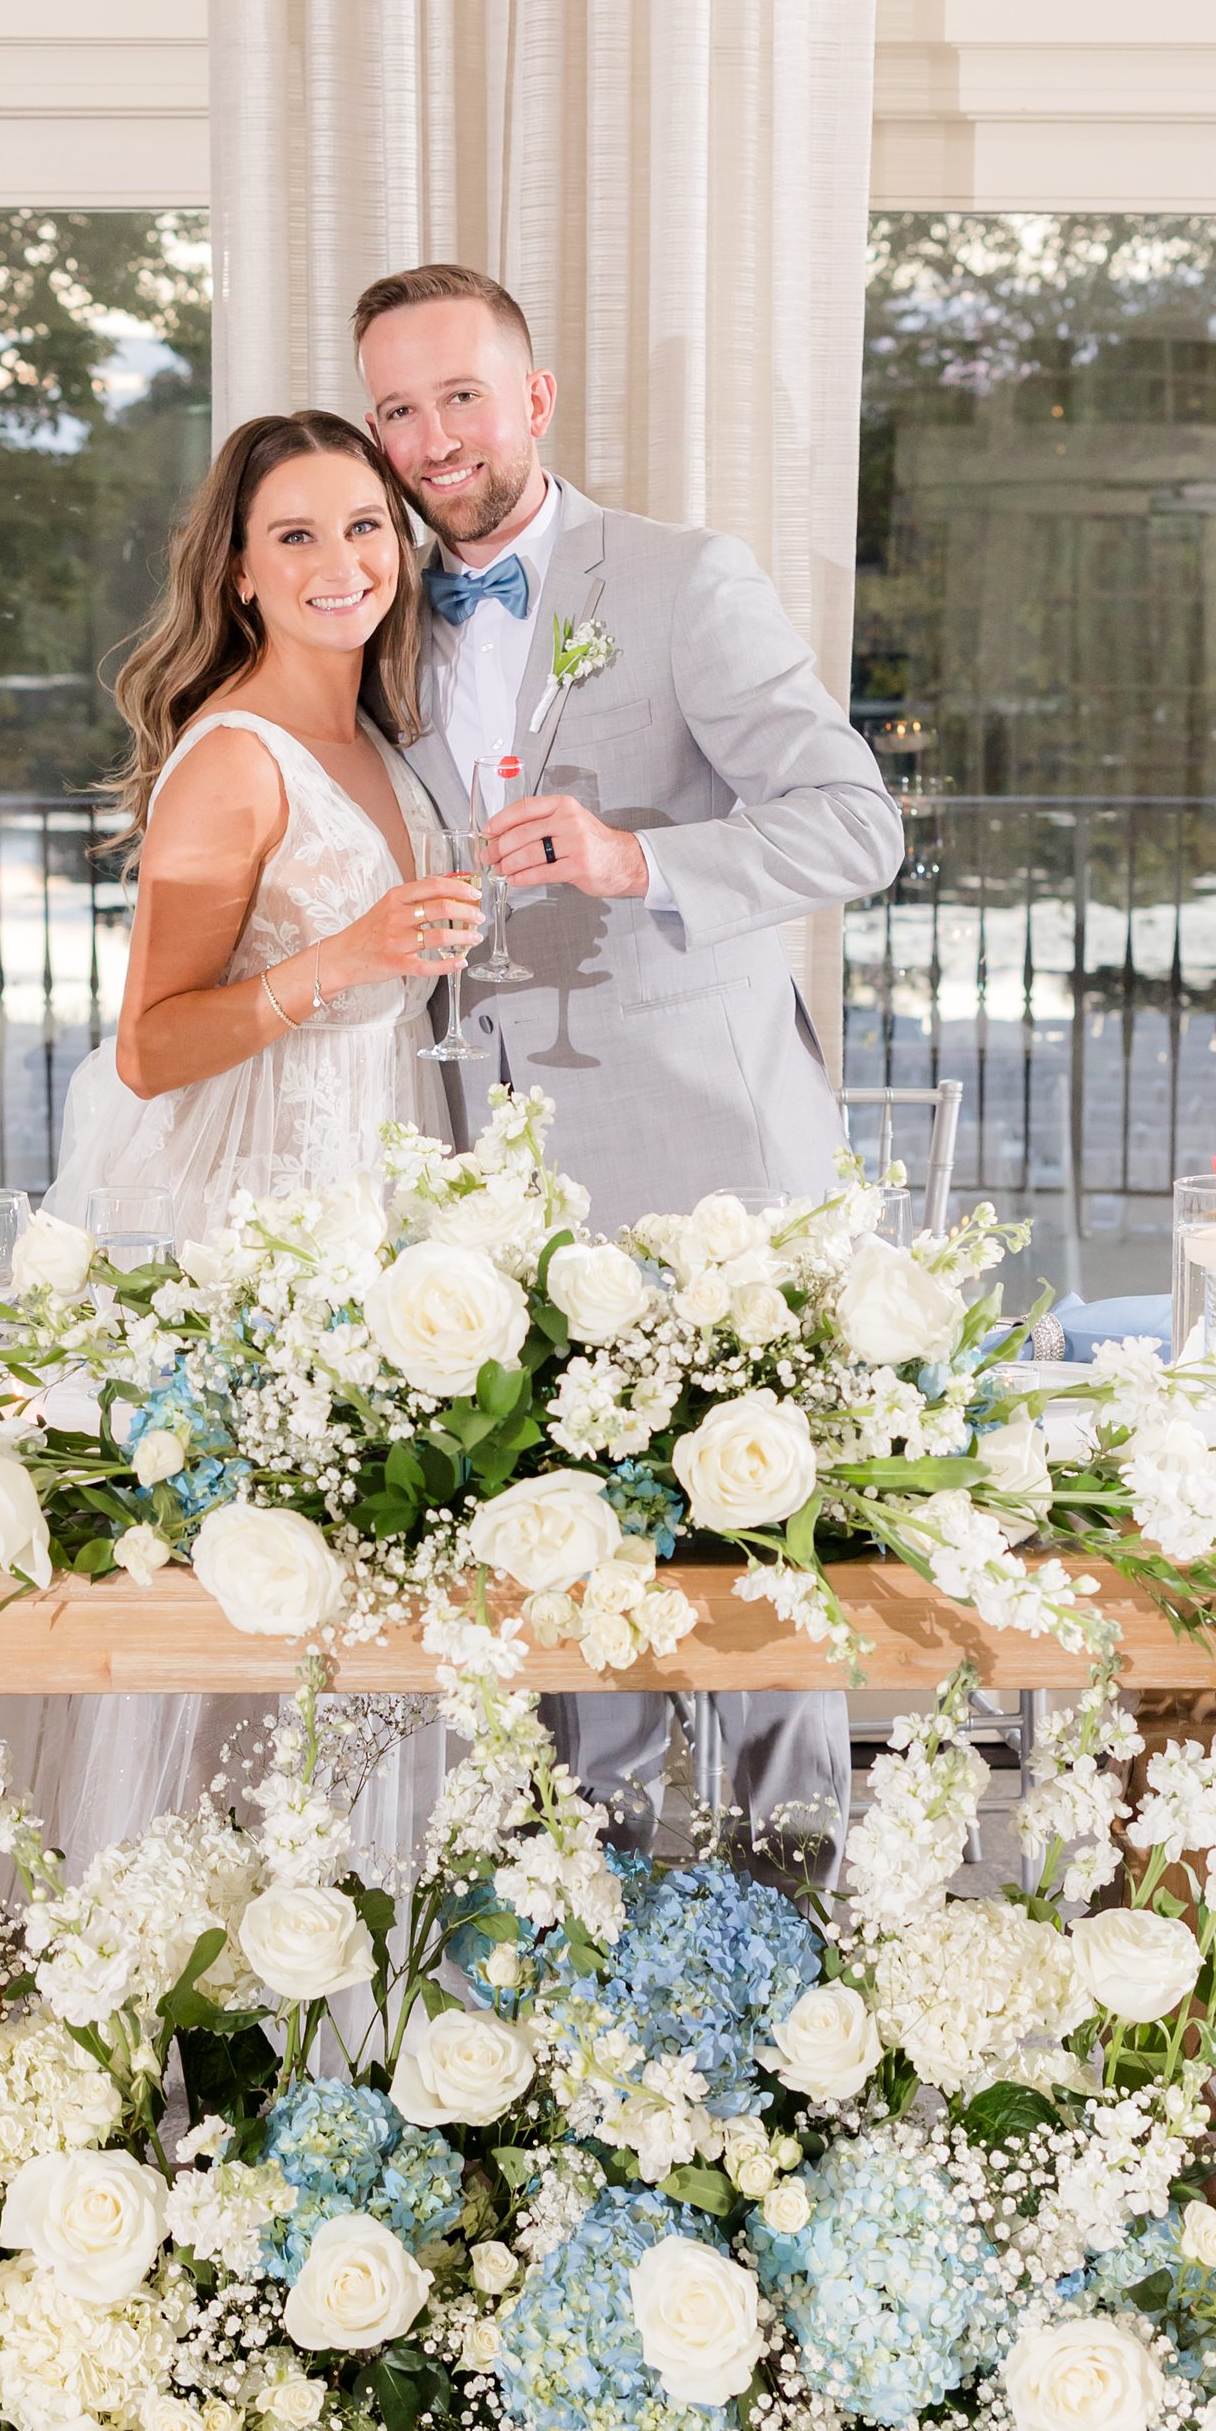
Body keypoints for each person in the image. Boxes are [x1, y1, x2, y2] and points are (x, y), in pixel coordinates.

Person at [357, 259, 904, 1866]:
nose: (434, 437)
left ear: (532, 399)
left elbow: (855, 826)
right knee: (555, 1618)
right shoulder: (368, 597)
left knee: (757, 1612)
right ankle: (586, 2017)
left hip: (713, 1168)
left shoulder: (680, 579)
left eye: (462, 395)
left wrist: (634, 859)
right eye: (399, 408)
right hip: (491, 1184)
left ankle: (793, 1982)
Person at [0, 410, 481, 1871]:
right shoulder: (236, 757)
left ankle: (354, 1939)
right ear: (243, 572)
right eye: (298, 535)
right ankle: (177, 1953)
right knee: (241, 1599)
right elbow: (149, 1043)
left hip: (377, 1174)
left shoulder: (380, 737)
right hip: (254, 1205)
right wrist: (347, 958)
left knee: (359, 1607)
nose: (344, 562)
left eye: (367, 527)